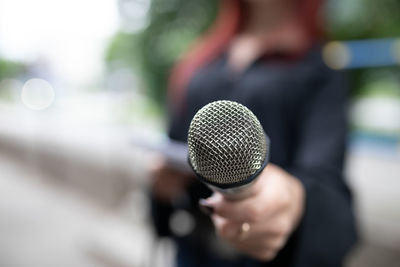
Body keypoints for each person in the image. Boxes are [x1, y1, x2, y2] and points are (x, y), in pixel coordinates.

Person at [149, 0, 357, 266]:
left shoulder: (319, 71)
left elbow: (325, 179)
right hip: (194, 252)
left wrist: (293, 199)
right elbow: (176, 143)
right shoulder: (201, 63)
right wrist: (161, 187)